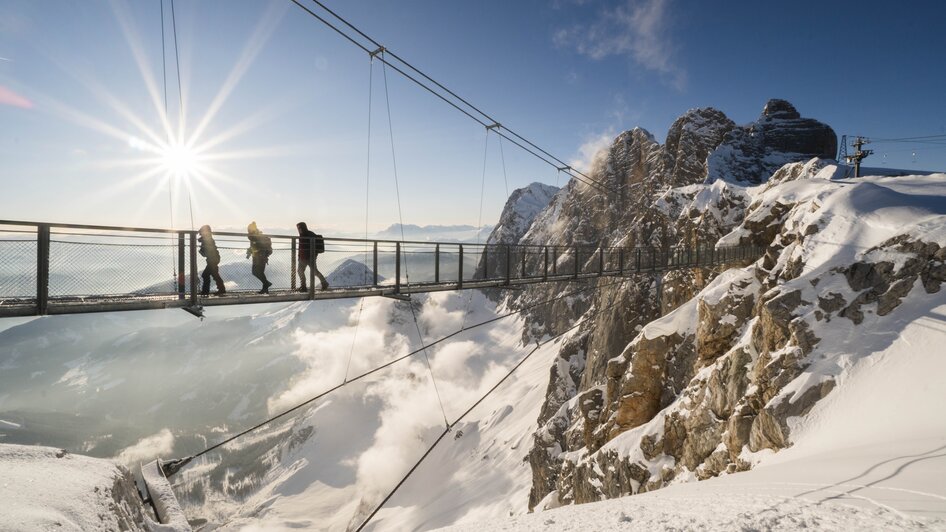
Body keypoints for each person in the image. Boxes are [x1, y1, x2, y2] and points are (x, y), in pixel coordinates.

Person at [296, 221, 328, 291]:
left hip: (310, 257)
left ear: (304, 227)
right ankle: (303, 287)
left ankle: (324, 283)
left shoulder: (310, 234)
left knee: (314, 272)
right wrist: (299, 256)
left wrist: (313, 255)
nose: (299, 229)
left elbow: (314, 246)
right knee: (300, 271)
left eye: (300, 228)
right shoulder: (301, 235)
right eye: (298, 228)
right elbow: (300, 247)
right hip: (302, 258)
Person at [198, 225, 225, 296]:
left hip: (212, 259)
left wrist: (201, 250)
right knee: (214, 274)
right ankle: (221, 289)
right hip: (214, 258)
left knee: (206, 275)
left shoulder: (207, 239)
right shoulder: (208, 238)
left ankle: (206, 291)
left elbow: (205, 252)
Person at [246, 221, 273, 294]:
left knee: (258, 272)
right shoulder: (253, 237)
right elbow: (253, 246)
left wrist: (259, 253)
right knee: (255, 272)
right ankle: (266, 285)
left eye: (249, 230)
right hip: (256, 257)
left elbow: (259, 246)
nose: (248, 232)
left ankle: (265, 286)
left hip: (261, 257)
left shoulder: (257, 236)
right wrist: (249, 251)